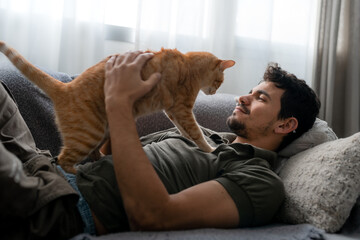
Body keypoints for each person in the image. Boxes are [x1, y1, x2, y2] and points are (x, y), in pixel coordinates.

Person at [0, 51, 320, 239]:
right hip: (45, 165)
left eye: (260, 97)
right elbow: (112, 159)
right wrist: (112, 95)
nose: (243, 97)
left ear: (285, 124)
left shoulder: (260, 179)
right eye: (250, 91)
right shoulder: (201, 137)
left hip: (61, 204)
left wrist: (119, 105)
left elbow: (152, 215)